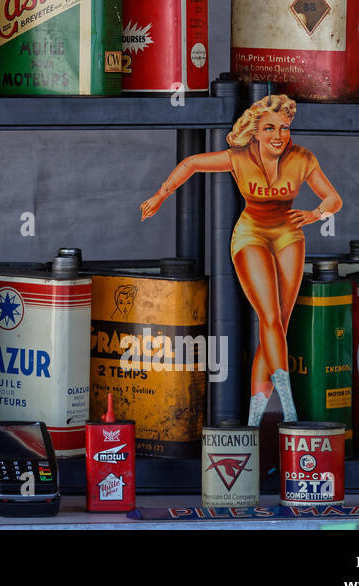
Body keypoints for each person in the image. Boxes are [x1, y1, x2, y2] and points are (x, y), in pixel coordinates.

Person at [140, 94, 342, 426]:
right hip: (250, 235)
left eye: (285, 129)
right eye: (270, 128)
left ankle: (254, 417)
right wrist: (161, 194)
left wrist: (317, 213)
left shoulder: (302, 158)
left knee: (278, 324)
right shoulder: (239, 158)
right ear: (256, 132)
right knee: (270, 318)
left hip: (289, 235)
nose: (279, 136)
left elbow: (334, 197)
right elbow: (191, 163)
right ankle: (289, 411)